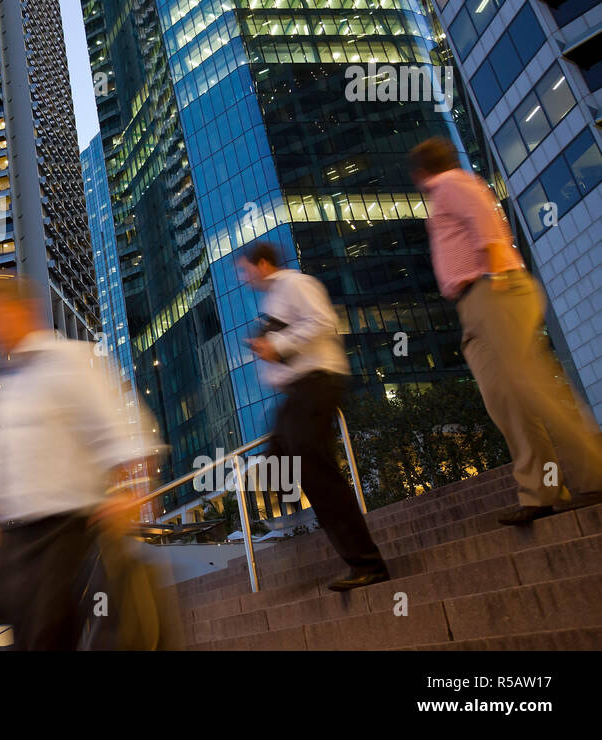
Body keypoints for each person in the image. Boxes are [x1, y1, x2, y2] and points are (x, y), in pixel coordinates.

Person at [0, 274, 177, 650]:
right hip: (19, 545)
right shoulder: (1, 394)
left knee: (87, 634)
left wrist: (132, 493)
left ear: (20, 310)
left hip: (75, 530)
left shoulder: (73, 360)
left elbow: (123, 434)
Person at [409, 136, 602, 523]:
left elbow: (486, 227)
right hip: (472, 306)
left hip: (493, 290)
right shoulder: (446, 192)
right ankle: (541, 492)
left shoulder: (451, 184)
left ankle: (595, 476)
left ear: (421, 170)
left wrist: (496, 279)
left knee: (534, 387)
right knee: (504, 399)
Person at [237, 242, 389, 591]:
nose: (244, 278)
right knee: (280, 460)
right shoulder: (272, 301)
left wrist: (277, 346)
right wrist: (270, 352)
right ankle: (288, 498)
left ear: (263, 264)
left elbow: (322, 321)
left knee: (313, 467)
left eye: (246, 270)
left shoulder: (294, 284)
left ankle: (367, 562)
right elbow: (281, 353)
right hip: (297, 392)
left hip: (319, 381)